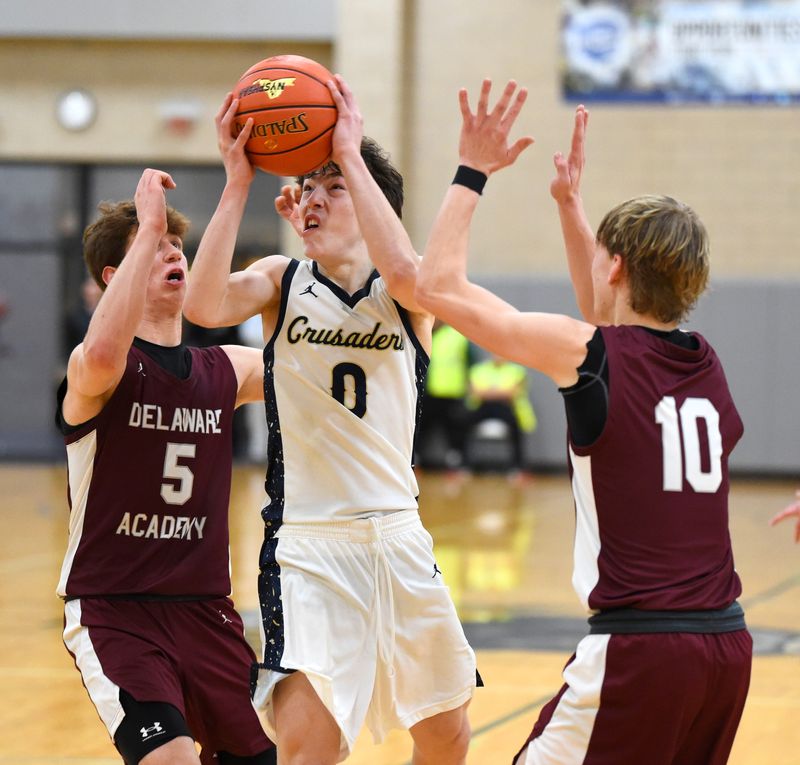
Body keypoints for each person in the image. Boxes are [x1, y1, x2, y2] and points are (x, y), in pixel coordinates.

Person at [415, 79, 752, 765]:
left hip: (641, 652)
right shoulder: (704, 364)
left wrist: (471, 168)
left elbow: (438, 288)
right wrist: (572, 209)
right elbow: (610, 319)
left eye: (602, 252)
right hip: (725, 647)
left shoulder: (589, 354)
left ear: (618, 263)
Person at [183, 75, 477, 765]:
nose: (313, 198)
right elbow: (202, 304)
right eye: (307, 188)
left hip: (399, 538)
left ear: (373, 203)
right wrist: (236, 183)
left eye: (332, 186)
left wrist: (348, 152)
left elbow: (405, 267)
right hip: (309, 548)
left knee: (447, 735)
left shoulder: (409, 292)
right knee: (312, 747)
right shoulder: (283, 280)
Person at [56, 168, 276, 765]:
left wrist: (238, 184)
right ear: (114, 277)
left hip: (206, 608)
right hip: (115, 608)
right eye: (155, 248)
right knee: (169, 759)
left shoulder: (224, 368)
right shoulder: (99, 367)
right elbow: (102, 350)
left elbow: (310, 367)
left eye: (177, 244)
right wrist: (146, 219)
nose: (173, 251)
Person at [415, 319, 475, 470]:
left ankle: (457, 464)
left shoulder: (458, 337)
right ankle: (416, 460)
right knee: (421, 429)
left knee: (455, 431)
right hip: (429, 392)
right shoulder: (425, 334)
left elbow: (472, 363)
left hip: (453, 392)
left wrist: (470, 386)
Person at [465, 352, 536, 475]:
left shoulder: (517, 371)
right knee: (462, 422)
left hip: (506, 407)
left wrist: (488, 392)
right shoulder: (478, 370)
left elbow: (512, 393)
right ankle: (464, 464)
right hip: (483, 406)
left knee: (515, 427)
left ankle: (518, 467)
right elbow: (475, 392)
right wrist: (500, 392)